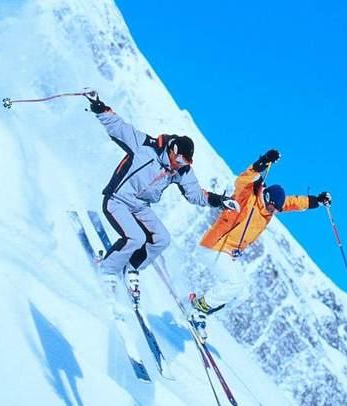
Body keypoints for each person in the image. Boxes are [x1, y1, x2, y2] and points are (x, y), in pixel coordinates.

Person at [87, 92, 239, 302]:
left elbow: (195, 194)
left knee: (162, 239)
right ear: (172, 149)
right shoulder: (145, 145)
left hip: (140, 207)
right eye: (179, 159)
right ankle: (107, 269)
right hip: (117, 199)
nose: (180, 164)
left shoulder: (181, 171)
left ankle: (132, 267)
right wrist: (98, 105)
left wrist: (219, 200)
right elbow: (118, 127)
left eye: (185, 162)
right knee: (136, 237)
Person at [189, 149, 332, 339]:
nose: (274, 211)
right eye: (273, 206)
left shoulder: (269, 210)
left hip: (228, 253)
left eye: (276, 209)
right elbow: (244, 179)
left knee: (241, 293)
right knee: (235, 282)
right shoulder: (247, 197)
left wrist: (318, 201)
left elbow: (293, 203)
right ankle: (199, 309)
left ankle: (201, 305)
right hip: (214, 246)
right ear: (267, 197)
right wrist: (263, 162)